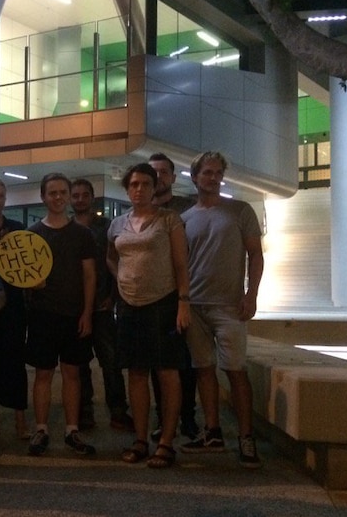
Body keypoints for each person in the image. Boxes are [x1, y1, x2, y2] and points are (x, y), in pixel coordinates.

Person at [179, 151, 264, 469]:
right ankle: (212, 432)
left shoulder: (240, 211)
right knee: (203, 369)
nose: (213, 178)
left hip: (229, 306)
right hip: (195, 307)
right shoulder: (185, 219)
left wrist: (251, 294)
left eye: (217, 173)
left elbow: (255, 254)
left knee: (236, 371)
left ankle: (246, 436)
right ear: (195, 177)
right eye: (207, 173)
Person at [107, 163, 191, 469]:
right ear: (127, 189)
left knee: (168, 372)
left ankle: (166, 442)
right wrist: (122, 278)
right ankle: (141, 440)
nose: (139, 189)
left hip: (164, 304)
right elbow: (110, 256)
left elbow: (182, 265)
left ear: (155, 187)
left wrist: (184, 302)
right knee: (137, 373)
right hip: (129, 306)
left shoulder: (169, 220)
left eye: (145, 183)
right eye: (133, 184)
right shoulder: (117, 224)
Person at [26, 173, 97, 457]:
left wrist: (87, 313)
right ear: (43, 197)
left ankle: (71, 430)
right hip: (42, 313)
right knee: (42, 374)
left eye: (62, 192)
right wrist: (31, 284)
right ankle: (41, 429)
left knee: (72, 373)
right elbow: (22, 275)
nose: (57, 197)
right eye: (52, 192)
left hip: (74, 315)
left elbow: (89, 276)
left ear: (68, 195)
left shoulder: (83, 234)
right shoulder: (32, 234)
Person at [71, 178, 134, 433]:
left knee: (112, 363)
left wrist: (114, 295)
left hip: (104, 306)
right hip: (74, 309)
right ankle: (84, 413)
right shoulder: (66, 228)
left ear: (92, 197)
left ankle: (118, 412)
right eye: (75, 195)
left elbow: (116, 263)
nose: (79, 199)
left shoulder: (107, 227)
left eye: (84, 195)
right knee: (80, 364)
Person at [148, 152, 199, 442]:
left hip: (182, 296)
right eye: (153, 172)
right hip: (153, 299)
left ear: (172, 177)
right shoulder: (141, 212)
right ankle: (162, 418)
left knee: (185, 362)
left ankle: (188, 418)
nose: (158, 177)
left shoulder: (186, 209)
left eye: (163, 172)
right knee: (158, 365)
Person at [0, 178, 30, 440]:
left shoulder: (17, 227)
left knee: (15, 361)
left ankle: (20, 421)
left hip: (12, 304)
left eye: (1, 195)